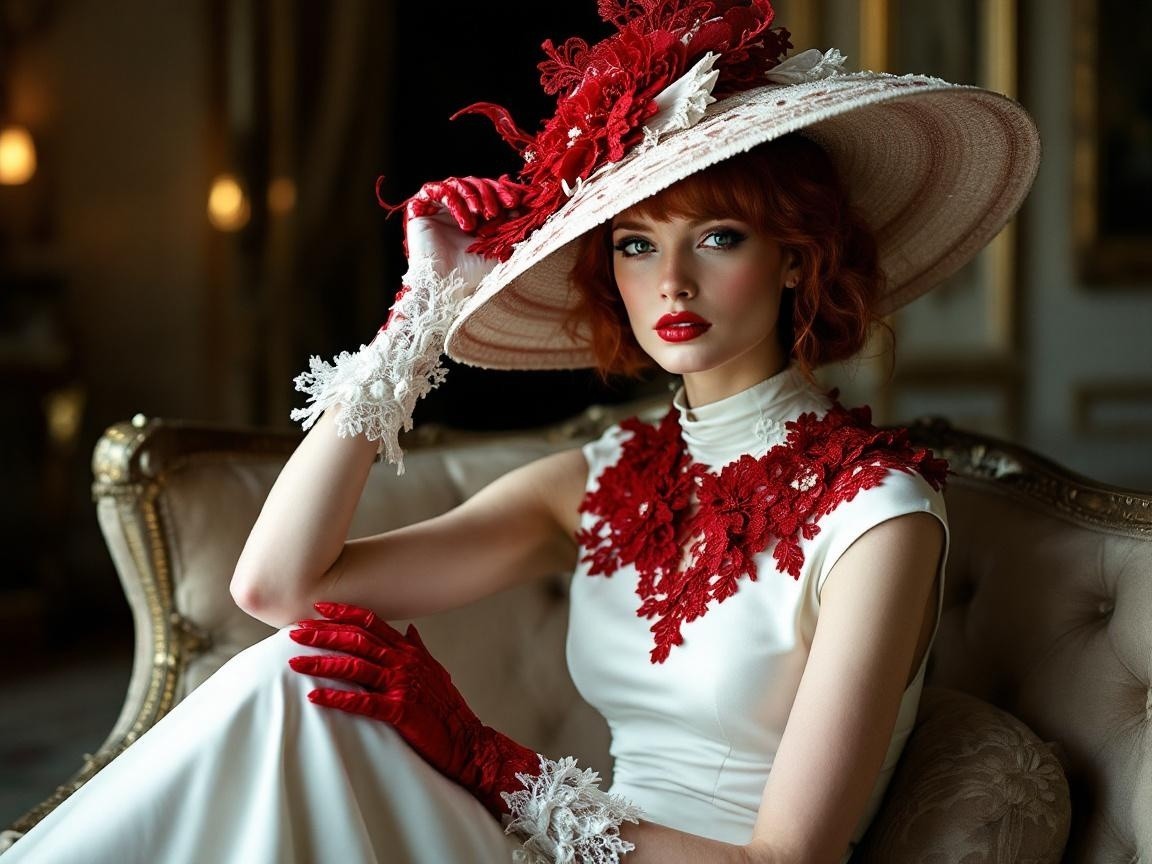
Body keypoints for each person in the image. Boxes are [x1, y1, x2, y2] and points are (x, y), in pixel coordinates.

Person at [1, 2, 1040, 862]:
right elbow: (274, 590)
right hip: (547, 847)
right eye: (637, 245)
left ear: (798, 259)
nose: (670, 283)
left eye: (717, 237)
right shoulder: (602, 479)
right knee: (294, 674)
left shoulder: (880, 518)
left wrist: (491, 763)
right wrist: (420, 314)